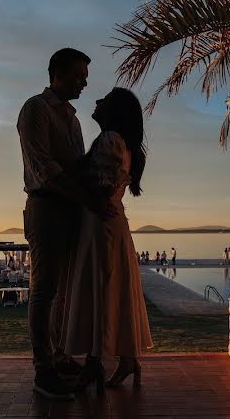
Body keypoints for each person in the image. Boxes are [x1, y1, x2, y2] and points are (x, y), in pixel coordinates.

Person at [18, 47, 98, 400]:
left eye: (85, 76)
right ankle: (42, 368)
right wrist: (85, 197)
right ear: (57, 74)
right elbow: (44, 168)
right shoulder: (36, 109)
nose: (85, 82)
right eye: (79, 75)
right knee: (44, 289)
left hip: (71, 210)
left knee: (64, 290)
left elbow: (77, 167)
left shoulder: (74, 119)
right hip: (46, 207)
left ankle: (61, 355)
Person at [62, 87, 153, 392]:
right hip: (106, 223)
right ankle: (122, 360)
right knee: (109, 289)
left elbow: (100, 187)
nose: (97, 101)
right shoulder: (118, 141)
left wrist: (66, 178)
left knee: (101, 289)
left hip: (101, 225)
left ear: (113, 111)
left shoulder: (110, 139)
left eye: (105, 100)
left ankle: (94, 364)